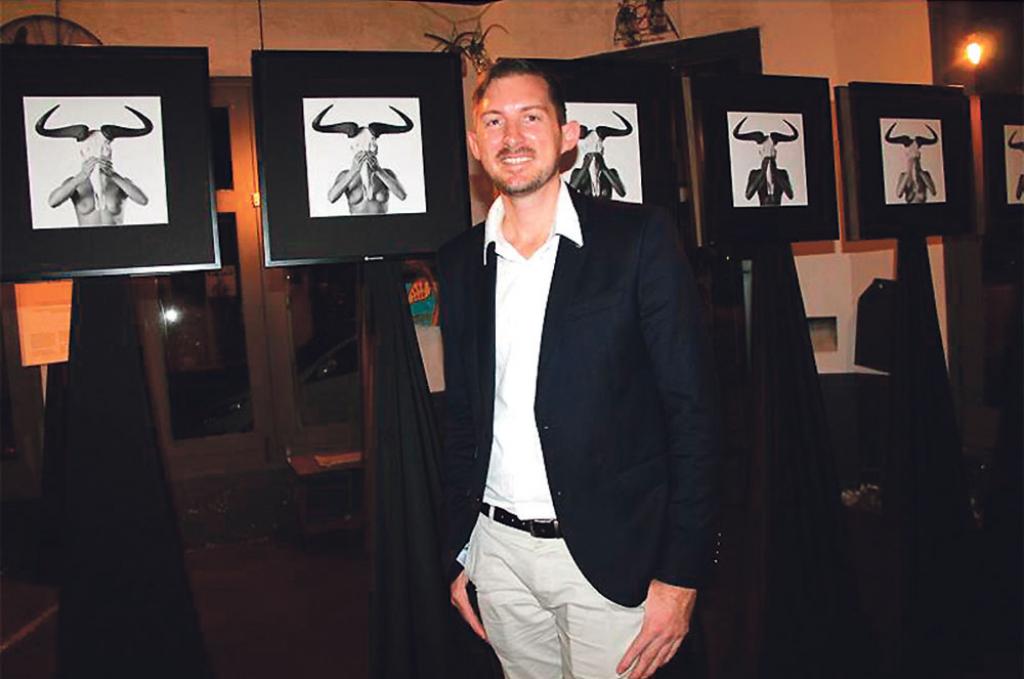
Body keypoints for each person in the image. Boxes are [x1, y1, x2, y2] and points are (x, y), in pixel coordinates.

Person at [437, 58, 716, 679]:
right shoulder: (459, 262)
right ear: (476, 145)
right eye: (494, 121)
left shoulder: (638, 239)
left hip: (612, 558)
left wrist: (682, 573)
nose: (512, 137)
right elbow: (463, 416)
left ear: (567, 136)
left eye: (531, 118)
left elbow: (693, 415)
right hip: (497, 556)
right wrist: (461, 548)